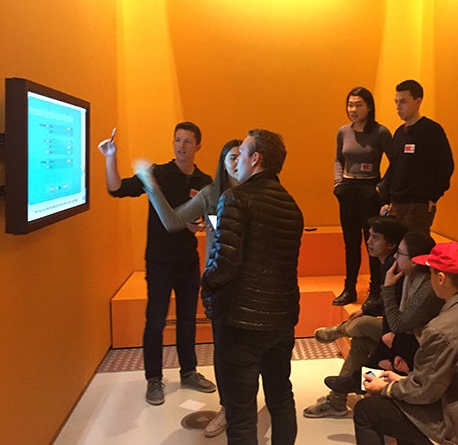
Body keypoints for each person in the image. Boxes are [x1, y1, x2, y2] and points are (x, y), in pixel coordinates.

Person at [97, 122, 216, 406]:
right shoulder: (158, 174)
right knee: (155, 323)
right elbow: (117, 189)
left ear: (198, 146)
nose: (181, 146)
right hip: (160, 261)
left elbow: (211, 219)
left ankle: (188, 372)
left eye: (188, 141)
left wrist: (199, 225)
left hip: (188, 261)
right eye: (177, 140)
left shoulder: (205, 180)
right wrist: (110, 156)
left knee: (188, 320)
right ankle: (154, 379)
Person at [354, 242, 458, 445]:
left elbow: (423, 392)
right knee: (401, 402)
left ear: (440, 278)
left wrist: (386, 388)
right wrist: (401, 382)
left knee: (367, 410)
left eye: (430, 273)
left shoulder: (442, 329)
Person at [201, 129, 303, 444]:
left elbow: (225, 262)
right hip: (282, 320)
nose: (238, 161)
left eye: (242, 153)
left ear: (256, 159)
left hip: (241, 323)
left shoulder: (235, 198)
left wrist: (206, 285)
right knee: (281, 398)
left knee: (241, 414)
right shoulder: (291, 205)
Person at [135, 139, 240, 437]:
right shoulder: (211, 192)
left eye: (241, 155)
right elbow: (173, 220)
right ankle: (227, 409)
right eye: (230, 156)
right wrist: (149, 183)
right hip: (218, 281)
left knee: (249, 353)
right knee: (223, 348)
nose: (236, 161)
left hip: (249, 284)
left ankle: (245, 406)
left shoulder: (255, 193)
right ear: (222, 161)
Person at [303, 216, 406, 419]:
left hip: (401, 334)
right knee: (359, 339)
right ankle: (337, 401)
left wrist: (369, 312)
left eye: (375, 238)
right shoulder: (386, 264)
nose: (369, 242)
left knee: (363, 324)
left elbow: (398, 309)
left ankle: (338, 331)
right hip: (390, 327)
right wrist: (367, 309)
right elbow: (388, 301)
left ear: (392, 244)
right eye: (369, 236)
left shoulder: (396, 268)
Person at [323, 233, 443, 395]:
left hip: (422, 341)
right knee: (365, 336)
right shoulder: (408, 276)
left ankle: (357, 378)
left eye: (400, 253)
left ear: (415, 261)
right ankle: (353, 384)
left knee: (375, 331)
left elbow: (398, 324)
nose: (395, 256)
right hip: (408, 334)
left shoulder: (426, 287)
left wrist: (388, 288)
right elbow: (396, 320)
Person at [332, 87, 393, 308]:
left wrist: (381, 188)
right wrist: (338, 183)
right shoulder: (343, 131)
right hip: (347, 189)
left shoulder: (381, 132)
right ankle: (349, 288)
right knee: (350, 243)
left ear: (369, 106)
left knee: (373, 242)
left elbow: (395, 163)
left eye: (358, 105)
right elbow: (338, 159)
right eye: (350, 105)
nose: (353, 109)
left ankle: (375, 290)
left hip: (370, 189)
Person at [379, 79, 454, 237]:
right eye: (396, 102)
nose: (398, 107)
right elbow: (394, 167)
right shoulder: (400, 132)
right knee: (395, 250)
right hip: (396, 203)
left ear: (418, 101)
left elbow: (446, 166)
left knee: (414, 251)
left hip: (418, 204)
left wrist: (434, 196)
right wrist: (385, 195)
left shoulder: (432, 131)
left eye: (404, 102)